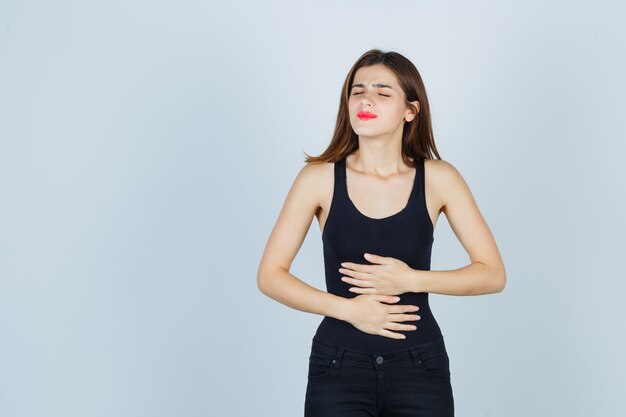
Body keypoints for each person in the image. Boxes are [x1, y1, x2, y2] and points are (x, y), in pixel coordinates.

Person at [257, 49, 506, 417]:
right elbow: (270, 276)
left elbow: (492, 274)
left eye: (382, 92)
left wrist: (411, 278)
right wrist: (349, 310)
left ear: (411, 110)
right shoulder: (319, 178)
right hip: (338, 366)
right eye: (357, 91)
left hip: (419, 364)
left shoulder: (439, 178)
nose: (366, 99)